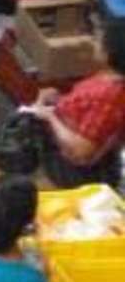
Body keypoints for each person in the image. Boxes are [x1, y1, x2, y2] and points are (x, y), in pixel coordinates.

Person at [32, 20, 125, 187]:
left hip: (71, 168)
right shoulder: (109, 78)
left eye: (99, 41)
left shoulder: (109, 96)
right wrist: (60, 100)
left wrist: (50, 117)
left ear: (110, 53)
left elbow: (81, 150)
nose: (94, 43)